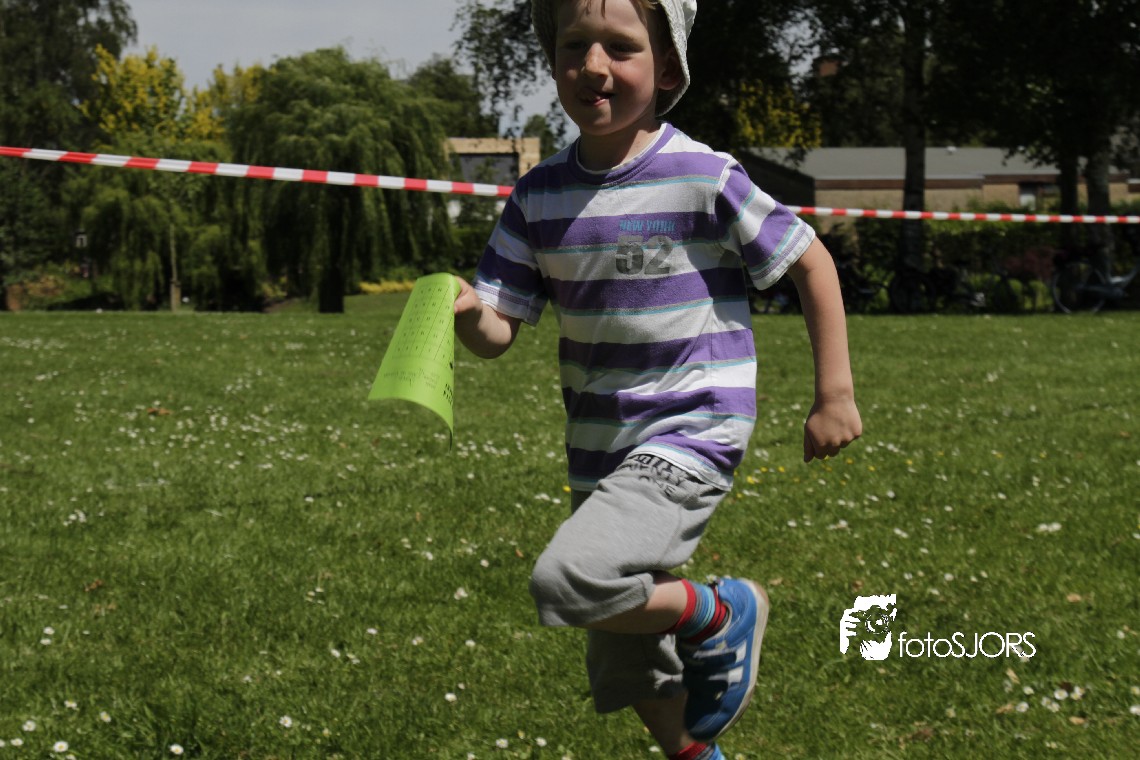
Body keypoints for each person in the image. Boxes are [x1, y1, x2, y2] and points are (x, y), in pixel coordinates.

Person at [452, 1, 862, 757]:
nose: (593, 66)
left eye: (620, 47)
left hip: (691, 427)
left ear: (668, 69)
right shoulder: (538, 194)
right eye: (574, 45)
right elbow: (498, 331)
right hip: (599, 449)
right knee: (625, 658)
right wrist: (468, 310)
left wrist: (833, 393)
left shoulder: (704, 176)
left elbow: (810, 260)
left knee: (568, 581)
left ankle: (721, 613)